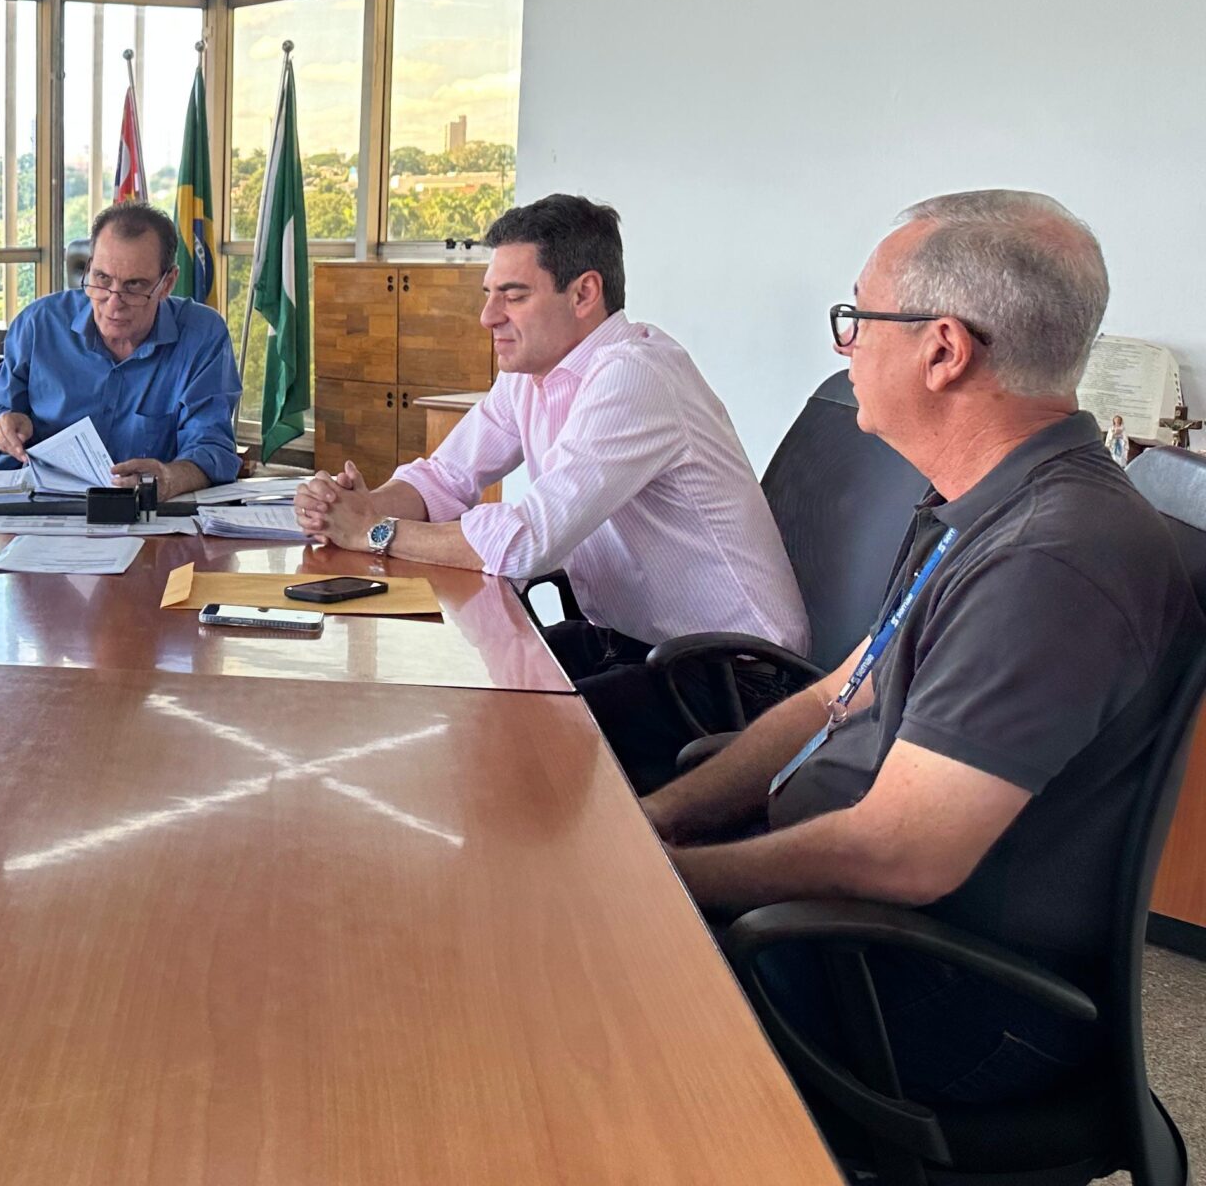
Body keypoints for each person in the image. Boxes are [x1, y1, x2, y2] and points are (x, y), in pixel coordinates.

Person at [642, 189, 1203, 1106]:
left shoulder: (1050, 562)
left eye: (857, 317)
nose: (845, 345)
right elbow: (843, 691)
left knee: (552, 1002)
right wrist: (659, 819)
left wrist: (657, 881)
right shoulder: (980, 498)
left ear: (943, 350)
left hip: (930, 1000)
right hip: (843, 923)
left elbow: (901, 854)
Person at [296, 193, 807, 790]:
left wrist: (374, 533)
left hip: (736, 680)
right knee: (451, 694)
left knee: (510, 744)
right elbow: (447, 475)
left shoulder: (634, 374)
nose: (488, 317)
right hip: (630, 645)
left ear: (584, 294)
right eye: (488, 294)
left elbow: (526, 542)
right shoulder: (532, 376)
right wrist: (358, 505)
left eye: (513, 295)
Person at [0, 202, 242, 498]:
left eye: (134, 286)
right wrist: (1, 422)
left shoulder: (202, 335)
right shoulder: (40, 324)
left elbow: (212, 447)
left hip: (152, 516)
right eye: (102, 279)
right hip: (47, 510)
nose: (114, 303)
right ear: (89, 266)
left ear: (167, 283)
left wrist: (168, 478)